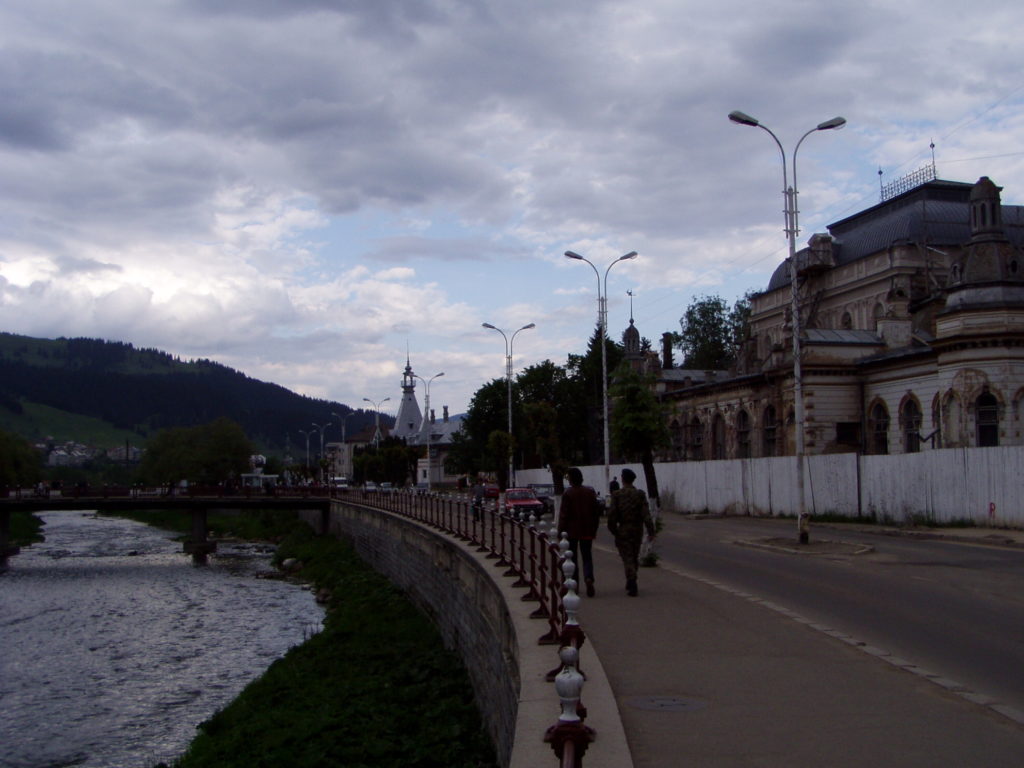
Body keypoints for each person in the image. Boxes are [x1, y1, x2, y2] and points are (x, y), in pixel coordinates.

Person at [606, 468, 656, 596]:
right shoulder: (640, 494)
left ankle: (632, 580)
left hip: (623, 530)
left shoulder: (617, 495)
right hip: (637, 530)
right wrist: (651, 530)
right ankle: (631, 578)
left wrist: (614, 531)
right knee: (634, 556)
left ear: (622, 479)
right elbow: (646, 514)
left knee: (627, 557)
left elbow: (611, 516)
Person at [557, 467, 602, 597]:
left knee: (573, 558)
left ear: (571, 479)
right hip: (587, 530)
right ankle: (588, 578)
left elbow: (564, 515)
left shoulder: (568, 494)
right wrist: (594, 529)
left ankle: (575, 585)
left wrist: (560, 532)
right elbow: (596, 513)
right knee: (587, 556)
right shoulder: (589, 492)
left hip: (572, 532)